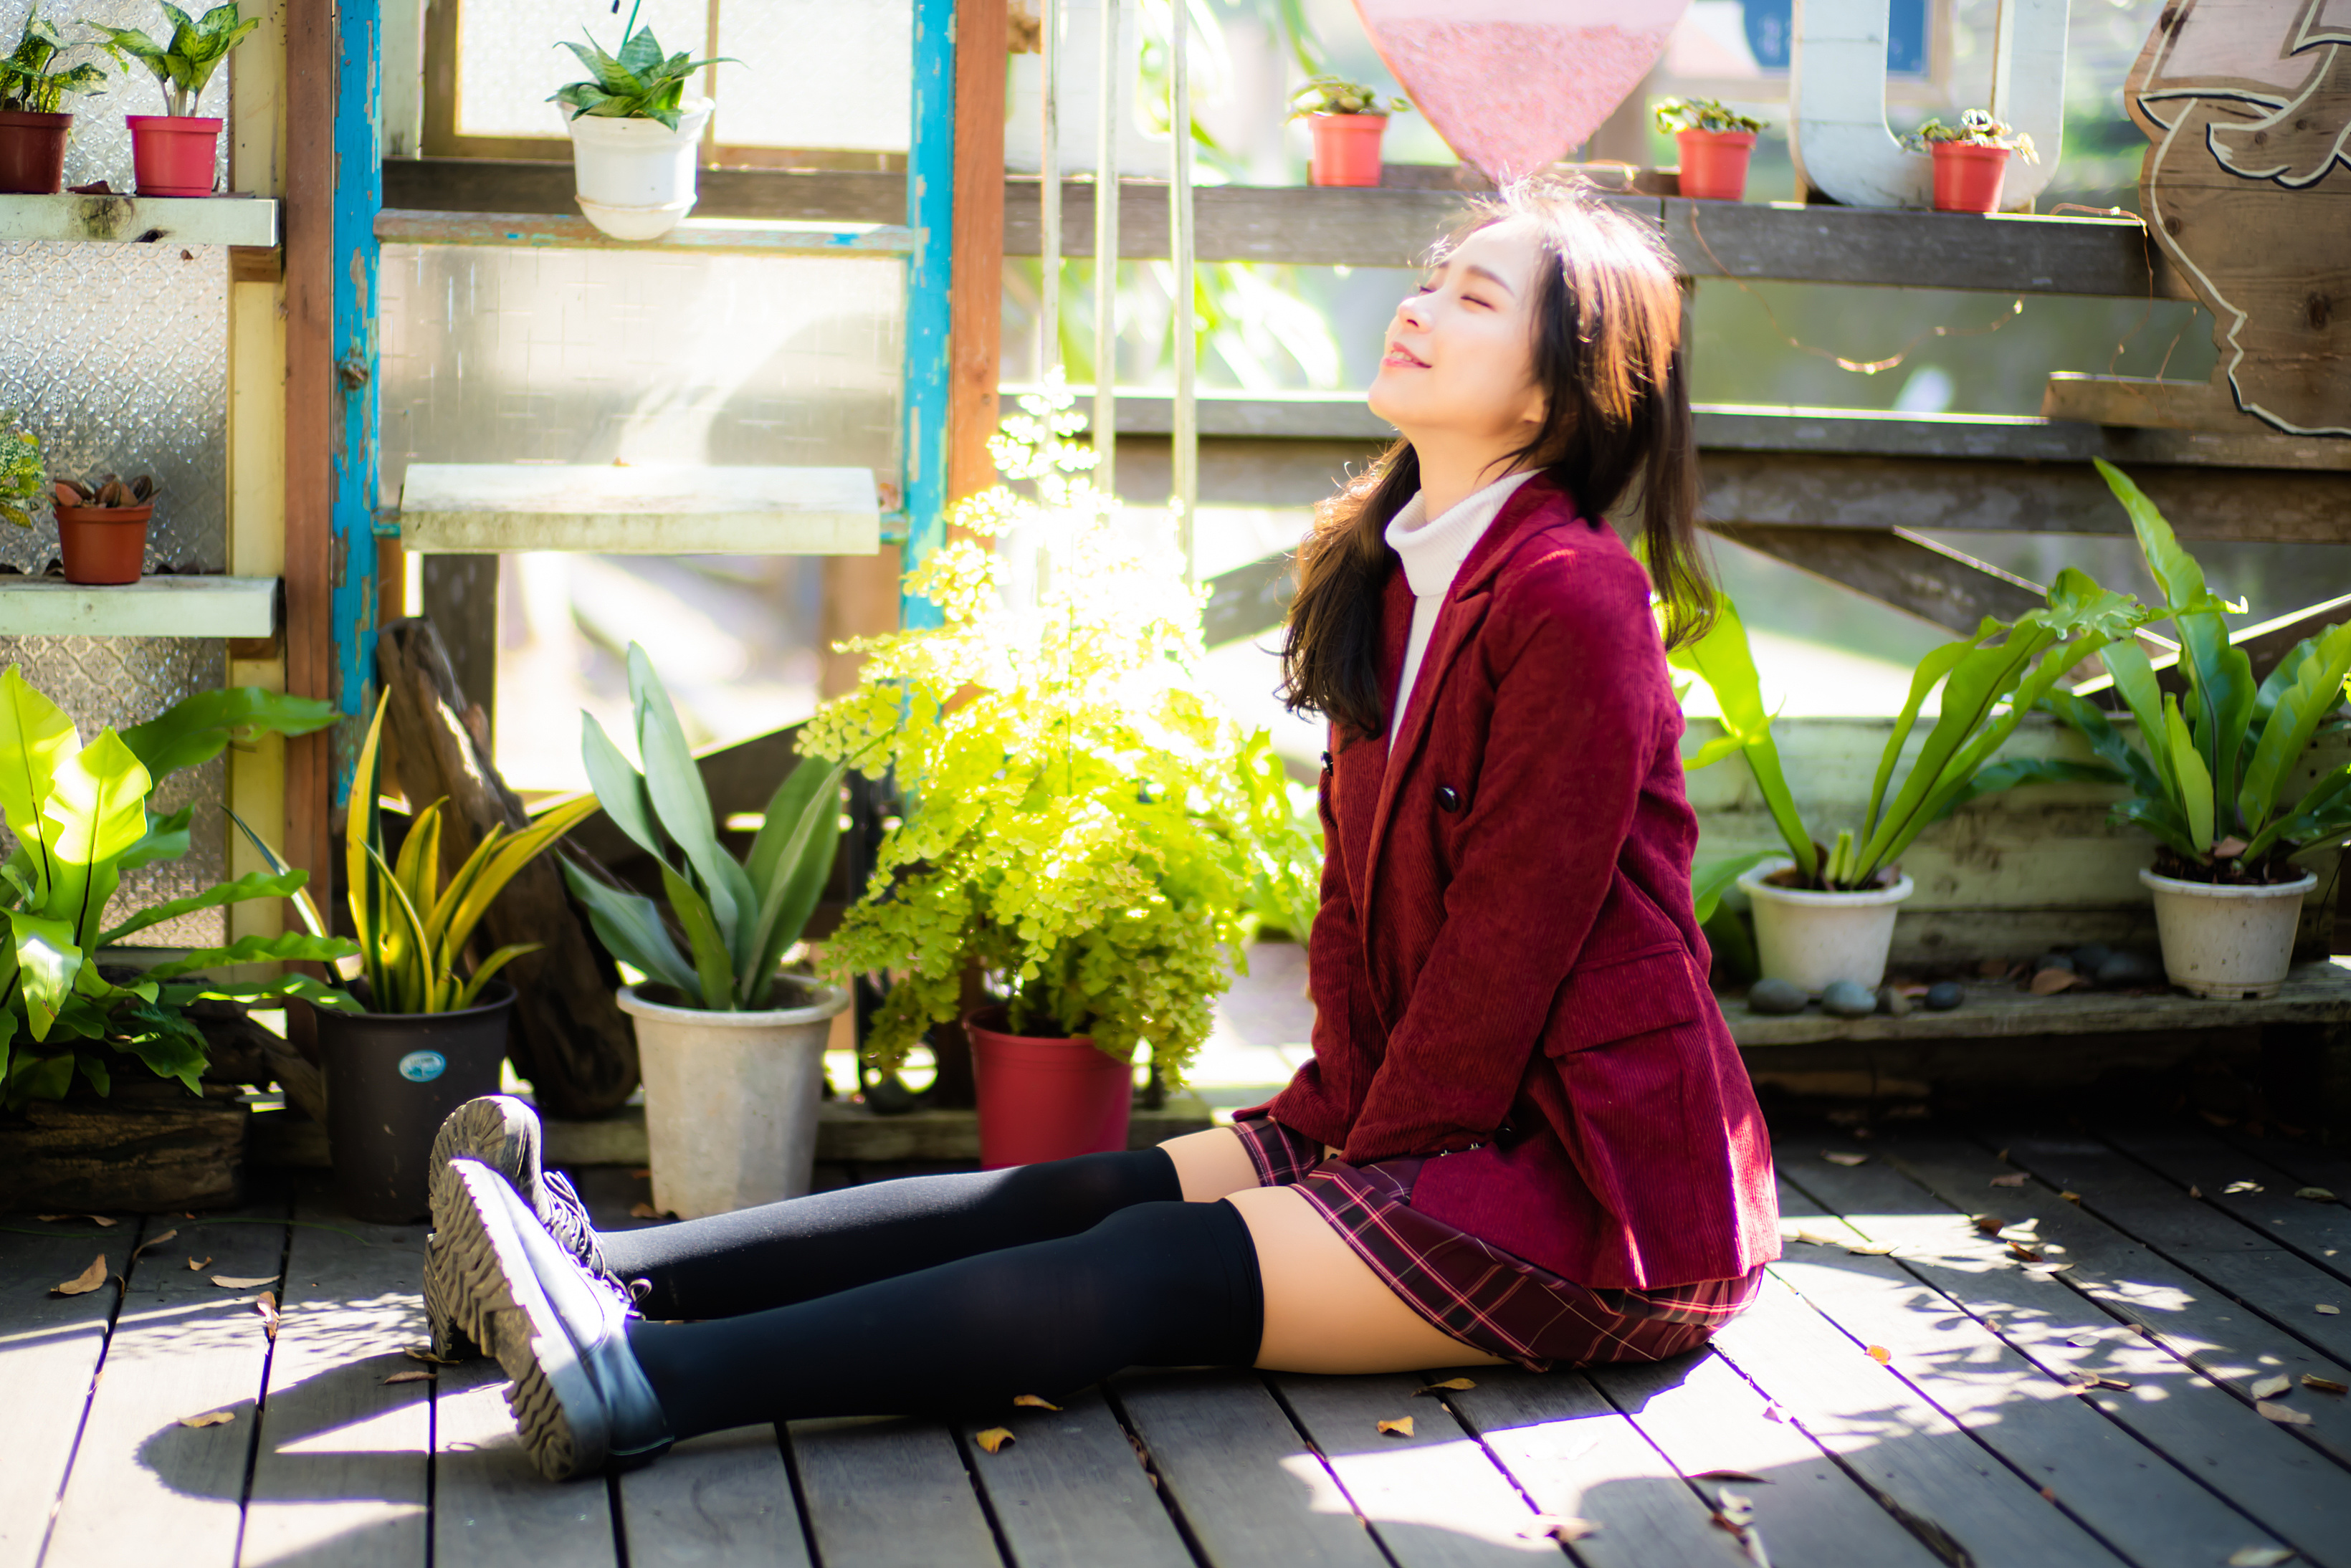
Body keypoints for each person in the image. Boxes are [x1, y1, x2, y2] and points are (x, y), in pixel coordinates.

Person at [426, 181, 1780, 1483]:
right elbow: (1358, 910)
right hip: (1426, 1120)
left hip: (1594, 1195)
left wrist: (1352, 1179)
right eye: (1428, 278)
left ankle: (645, 1380)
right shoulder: (1398, 570)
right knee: (1073, 1195)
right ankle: (584, 1267)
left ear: (1555, 390)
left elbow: (1513, 938)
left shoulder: (1575, 596)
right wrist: (1327, 1122)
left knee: (1152, 1269)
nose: (1419, 305)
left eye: (1474, 297)